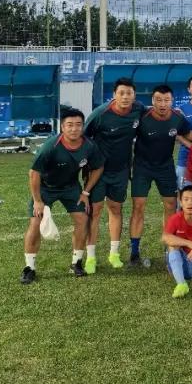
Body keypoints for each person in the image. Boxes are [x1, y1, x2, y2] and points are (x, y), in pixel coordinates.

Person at [21, 107, 103, 284]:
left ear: (83, 126)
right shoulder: (51, 146)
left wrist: (85, 192)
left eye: (78, 125)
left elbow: (98, 167)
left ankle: (76, 263)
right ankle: (29, 268)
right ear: (62, 127)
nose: (74, 129)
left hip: (71, 187)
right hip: (46, 188)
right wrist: (37, 201)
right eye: (69, 125)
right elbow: (34, 173)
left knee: (82, 220)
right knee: (35, 223)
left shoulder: (89, 146)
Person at [129, 84, 192, 267]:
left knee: (170, 205)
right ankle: (134, 253)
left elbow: (191, 135)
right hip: (142, 167)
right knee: (138, 206)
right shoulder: (143, 116)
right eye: (158, 100)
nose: (162, 104)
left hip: (165, 167)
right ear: (152, 101)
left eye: (166, 100)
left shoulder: (177, 118)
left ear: (172, 101)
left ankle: (170, 248)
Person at [84, 77, 145, 272]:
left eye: (129, 93)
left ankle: (114, 254)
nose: (125, 97)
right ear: (114, 95)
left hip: (121, 170)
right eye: (121, 93)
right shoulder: (100, 114)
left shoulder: (138, 110)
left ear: (134, 95)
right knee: (95, 211)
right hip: (98, 171)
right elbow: (83, 137)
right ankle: (90, 258)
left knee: (116, 209)